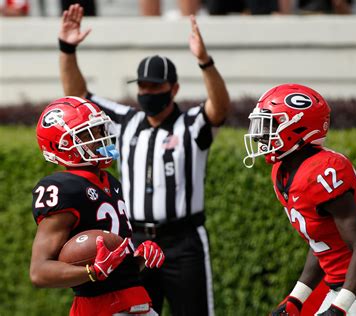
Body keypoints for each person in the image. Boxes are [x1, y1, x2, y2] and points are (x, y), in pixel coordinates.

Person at [57, 4, 230, 315]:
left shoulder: (191, 124)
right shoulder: (126, 120)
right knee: (134, 311)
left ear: (174, 89)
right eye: (143, 86)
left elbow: (219, 108)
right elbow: (79, 97)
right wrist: (67, 48)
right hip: (134, 240)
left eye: (155, 86)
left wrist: (205, 62)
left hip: (183, 240)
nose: (148, 92)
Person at [243, 83, 356, 316]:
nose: (260, 134)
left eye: (271, 124)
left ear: (298, 127)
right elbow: (321, 241)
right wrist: (296, 298)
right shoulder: (282, 172)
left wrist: (338, 309)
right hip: (343, 288)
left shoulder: (323, 171)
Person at [30, 96, 165, 316]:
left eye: (100, 131)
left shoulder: (109, 181)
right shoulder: (63, 187)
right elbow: (39, 272)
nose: (101, 139)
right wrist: (91, 271)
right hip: (99, 308)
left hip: (135, 303)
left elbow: (111, 263)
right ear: (63, 145)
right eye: (88, 135)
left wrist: (138, 258)